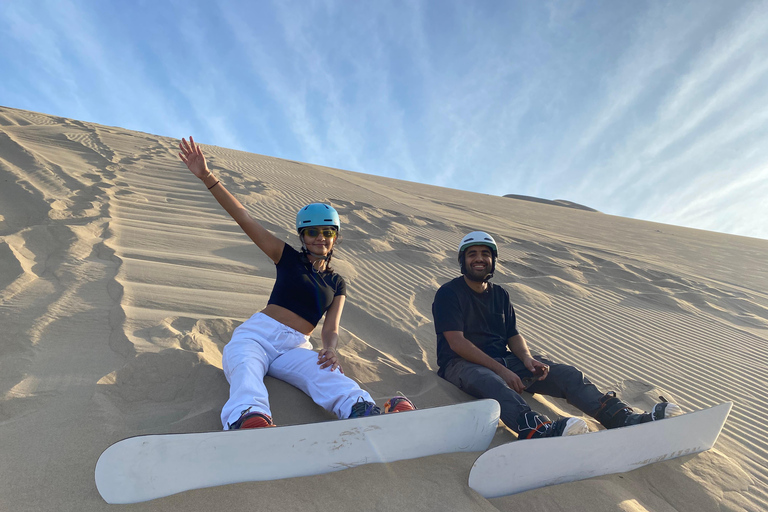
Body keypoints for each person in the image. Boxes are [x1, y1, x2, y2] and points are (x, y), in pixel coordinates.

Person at [178, 136, 414, 429]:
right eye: (312, 231)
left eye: (327, 232)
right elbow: (244, 218)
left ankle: (361, 410)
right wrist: (207, 176)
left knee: (325, 372)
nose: (320, 237)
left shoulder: (337, 283)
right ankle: (248, 417)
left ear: (335, 237)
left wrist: (330, 348)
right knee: (245, 367)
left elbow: (331, 328)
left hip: (294, 347)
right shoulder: (287, 257)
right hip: (257, 336)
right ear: (302, 236)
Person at [431, 230, 682, 439]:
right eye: (472, 254)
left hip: (505, 360)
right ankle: (537, 429)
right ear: (462, 260)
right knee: (491, 381)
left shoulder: (500, 295)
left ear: (493, 260)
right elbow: (457, 342)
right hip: (460, 365)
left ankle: (622, 418)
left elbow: (513, 336)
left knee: (566, 374)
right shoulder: (449, 293)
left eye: (485, 254)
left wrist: (527, 360)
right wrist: (501, 370)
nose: (479, 259)